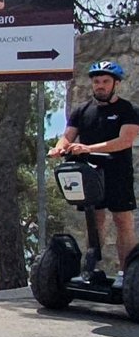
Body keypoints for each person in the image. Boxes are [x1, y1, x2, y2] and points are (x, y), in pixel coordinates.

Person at [50, 60, 139, 276]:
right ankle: (92, 269)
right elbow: (67, 136)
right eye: (97, 81)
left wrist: (87, 148)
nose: (100, 85)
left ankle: (127, 274)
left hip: (118, 173)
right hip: (89, 174)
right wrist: (58, 148)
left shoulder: (128, 110)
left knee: (123, 221)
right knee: (94, 220)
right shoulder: (82, 110)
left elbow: (124, 141)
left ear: (115, 84)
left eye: (105, 81)